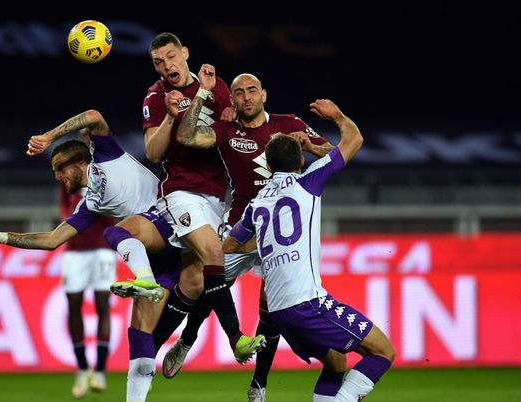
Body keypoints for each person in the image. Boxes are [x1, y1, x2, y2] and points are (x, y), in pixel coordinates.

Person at [0, 109, 181, 402]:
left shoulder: (107, 154)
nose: (57, 176)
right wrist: (0, 237)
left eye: (59, 168)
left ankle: (186, 336)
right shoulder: (90, 205)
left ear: (80, 161)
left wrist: (48, 137)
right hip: (158, 255)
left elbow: (94, 116)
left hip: (173, 227)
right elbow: (52, 240)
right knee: (140, 336)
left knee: (118, 236)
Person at [165, 68, 332, 399]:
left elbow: (329, 151)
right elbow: (185, 137)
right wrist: (201, 95)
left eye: (252, 91)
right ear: (234, 100)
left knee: (269, 307)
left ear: (264, 94)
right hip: (241, 226)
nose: (246, 97)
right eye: (239, 93)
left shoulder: (290, 124)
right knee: (211, 283)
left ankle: (259, 384)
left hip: (281, 235)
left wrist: (309, 146)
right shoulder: (226, 129)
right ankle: (187, 338)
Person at [223, 101, 396, 402]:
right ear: (300, 161)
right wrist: (337, 116)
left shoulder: (257, 203)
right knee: (383, 352)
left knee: (336, 362)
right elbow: (353, 139)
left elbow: (230, 245)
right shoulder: (308, 182)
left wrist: (267, 242)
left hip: (278, 312)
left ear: (268, 165)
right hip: (308, 303)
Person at [140, 32, 264, 361]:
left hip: (216, 196)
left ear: (185, 53)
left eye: (170, 57)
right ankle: (236, 337)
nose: (166, 66)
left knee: (196, 282)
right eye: (158, 63)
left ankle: (155, 346)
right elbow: (152, 152)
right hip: (181, 191)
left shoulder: (220, 87)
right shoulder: (156, 96)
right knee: (214, 253)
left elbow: (235, 129)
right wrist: (173, 113)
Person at [59, 187, 117, 397]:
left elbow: (117, 213)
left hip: (103, 247)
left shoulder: (105, 176)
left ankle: (100, 370)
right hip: (74, 250)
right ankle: (83, 368)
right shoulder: (69, 176)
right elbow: (64, 210)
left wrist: (97, 205)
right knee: (74, 307)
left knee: (103, 305)